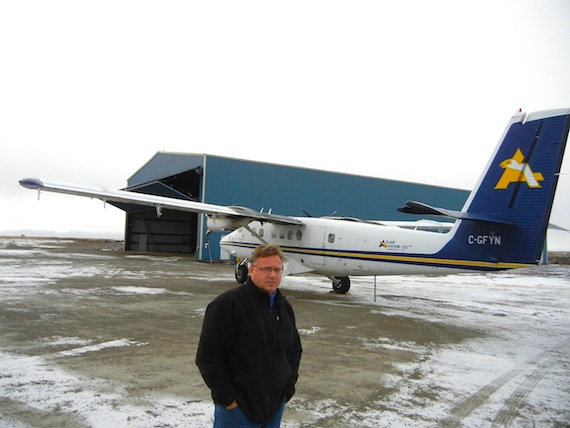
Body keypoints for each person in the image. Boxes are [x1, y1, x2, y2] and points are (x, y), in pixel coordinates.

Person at [196, 244, 302, 427]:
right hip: (239, 411)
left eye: (277, 270)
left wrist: (287, 388)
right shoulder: (229, 305)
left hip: (274, 407)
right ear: (252, 270)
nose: (273, 275)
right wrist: (228, 399)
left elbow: (294, 350)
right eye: (266, 269)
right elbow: (208, 357)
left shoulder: (283, 308)